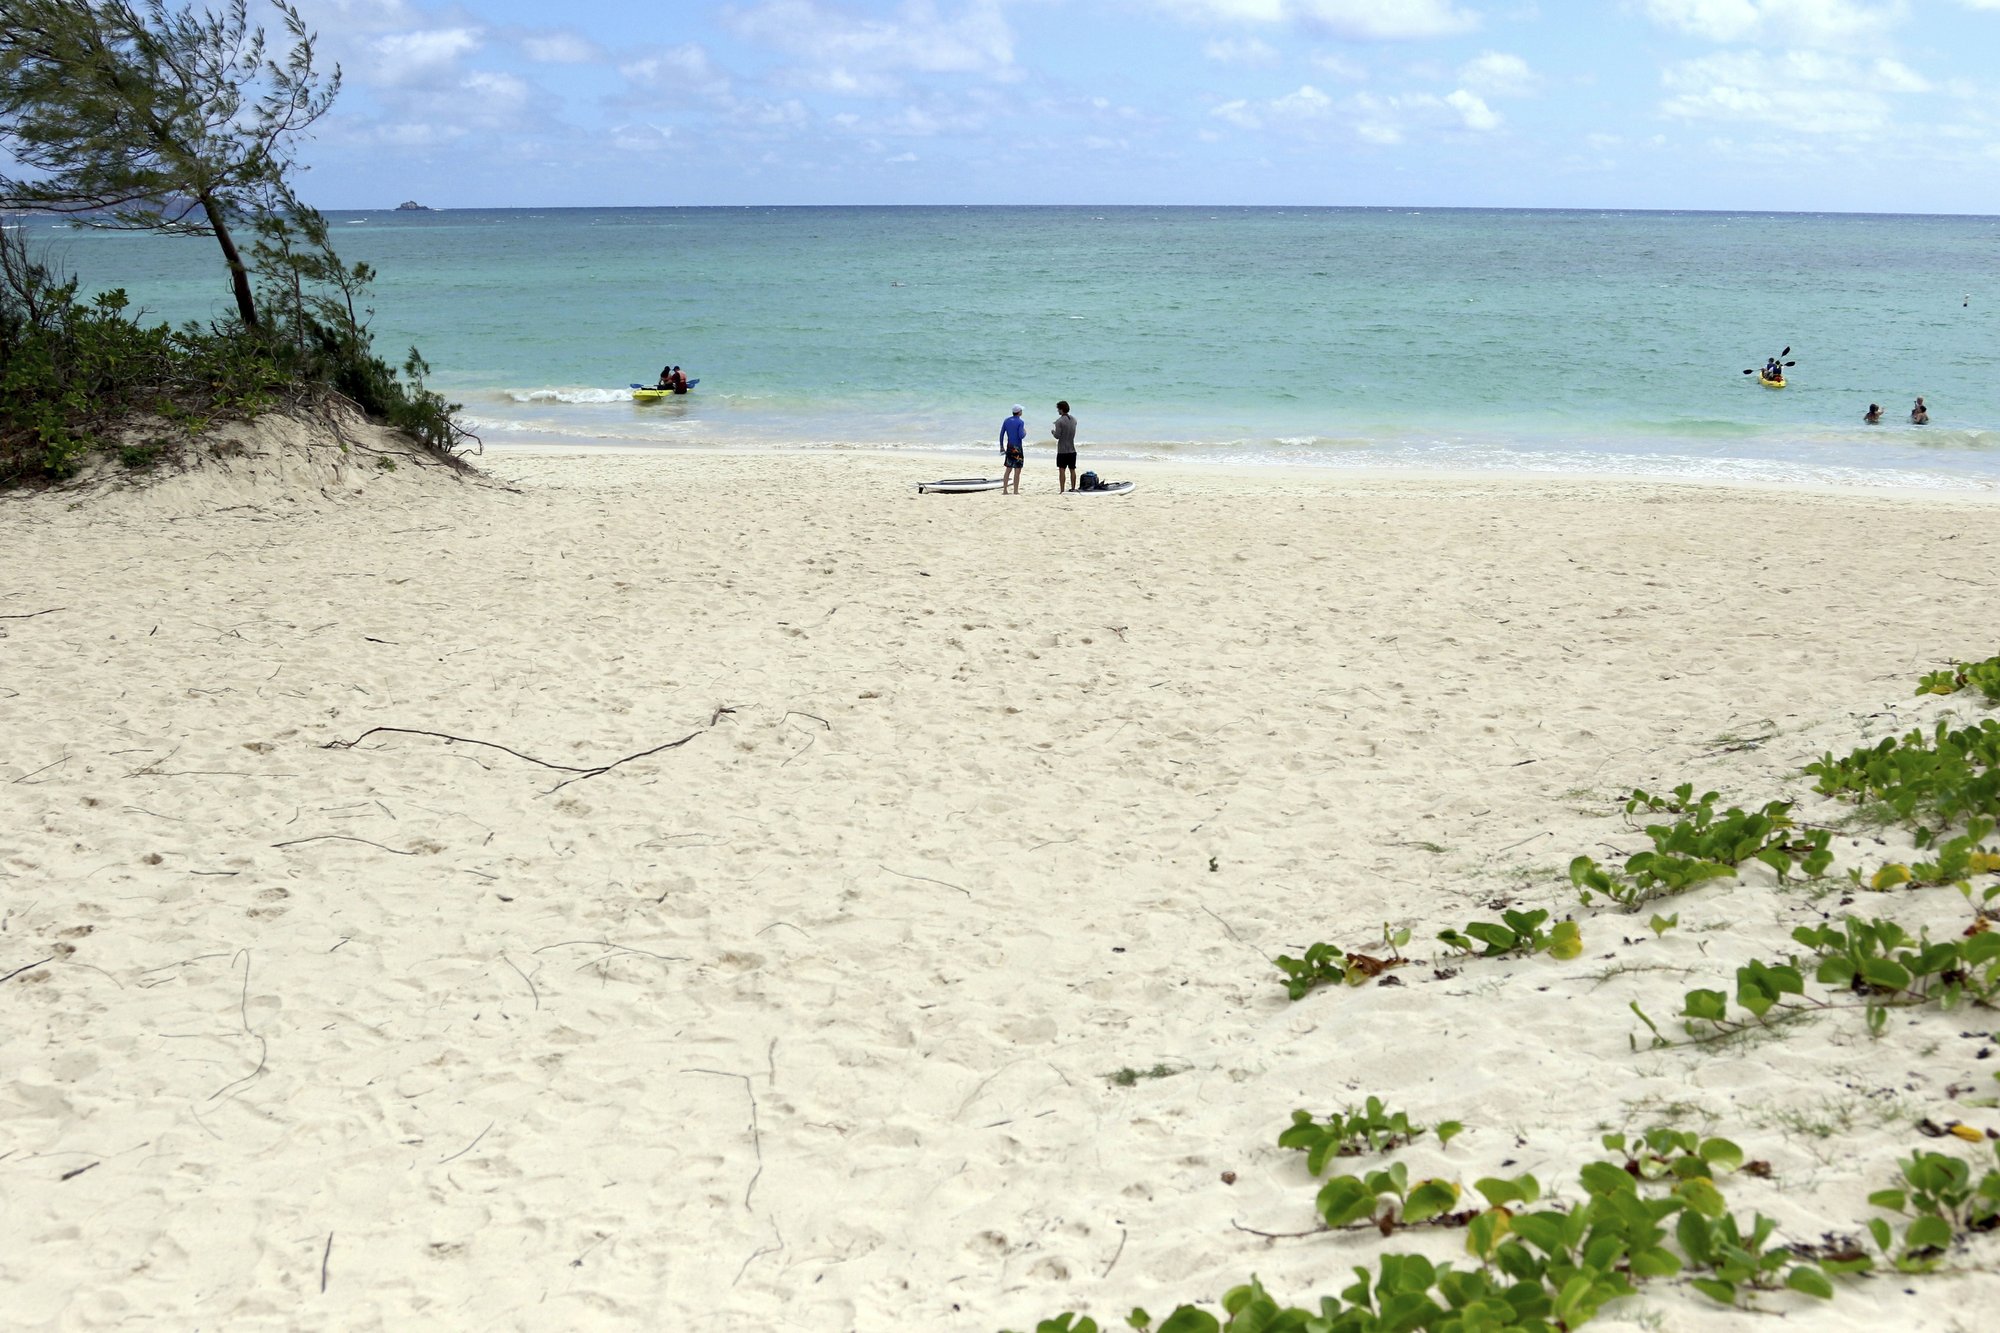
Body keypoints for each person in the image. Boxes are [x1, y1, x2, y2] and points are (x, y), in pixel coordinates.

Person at [1051, 400, 1078, 493]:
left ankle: (1062, 490)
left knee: (1062, 470)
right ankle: (1073, 488)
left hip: (1062, 450)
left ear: (1061, 410)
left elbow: (1057, 436)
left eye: (1058, 409)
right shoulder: (1074, 420)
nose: (1058, 411)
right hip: (1072, 449)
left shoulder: (1059, 421)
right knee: (1072, 470)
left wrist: (1053, 432)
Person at [999, 404, 1026, 492]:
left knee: (1008, 469)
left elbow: (1001, 434)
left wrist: (1001, 446)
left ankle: (1005, 490)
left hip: (1009, 447)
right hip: (1017, 448)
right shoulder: (1021, 422)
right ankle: (1015, 491)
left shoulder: (1006, 420)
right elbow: (1021, 436)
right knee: (1017, 470)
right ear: (1019, 412)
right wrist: (1025, 432)